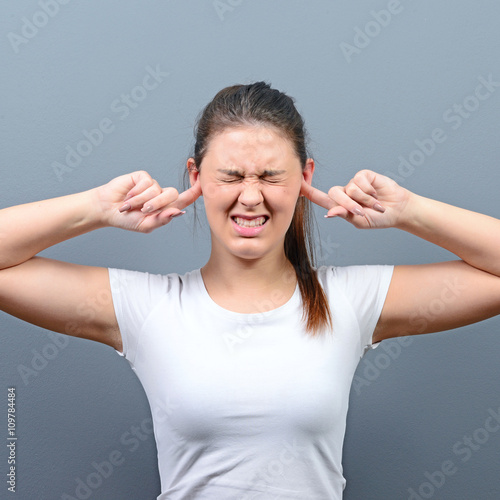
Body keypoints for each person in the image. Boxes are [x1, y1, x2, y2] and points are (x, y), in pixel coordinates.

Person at [1, 81, 499, 499]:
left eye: (270, 176)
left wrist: (409, 211)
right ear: (195, 178)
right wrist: (96, 208)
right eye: (232, 176)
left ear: (305, 178)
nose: (251, 196)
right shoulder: (147, 308)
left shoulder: (350, 300)